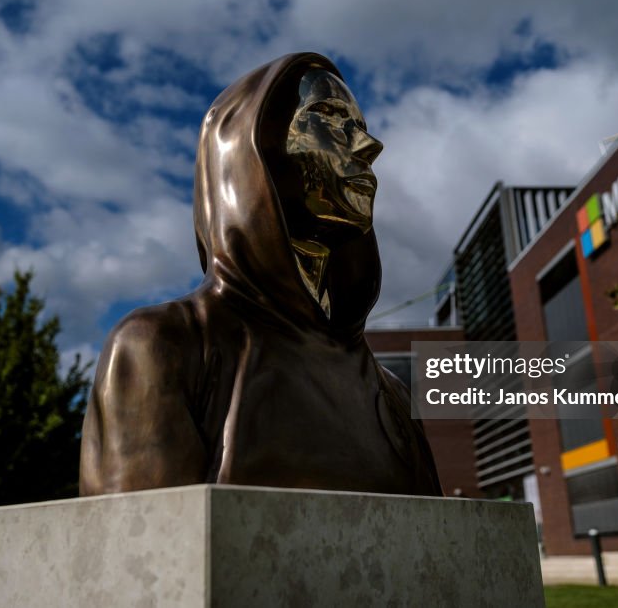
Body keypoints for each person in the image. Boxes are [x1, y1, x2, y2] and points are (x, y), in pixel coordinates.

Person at [80, 53, 442, 496]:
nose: (368, 146)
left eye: (360, 127)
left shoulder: (392, 398)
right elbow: (144, 550)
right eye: (329, 118)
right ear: (254, 153)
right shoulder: (163, 348)